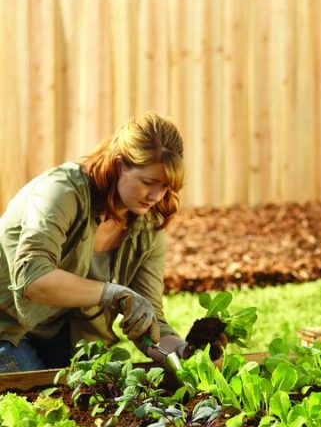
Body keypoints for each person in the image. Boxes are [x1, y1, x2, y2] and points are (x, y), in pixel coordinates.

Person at [0, 112, 190, 373]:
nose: (157, 196)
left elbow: (151, 319)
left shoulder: (147, 225)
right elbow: (33, 278)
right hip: (10, 332)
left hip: (75, 343)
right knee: (36, 401)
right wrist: (113, 293)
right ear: (121, 164)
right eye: (149, 182)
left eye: (166, 187)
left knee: (103, 401)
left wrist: (186, 353)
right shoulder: (61, 192)